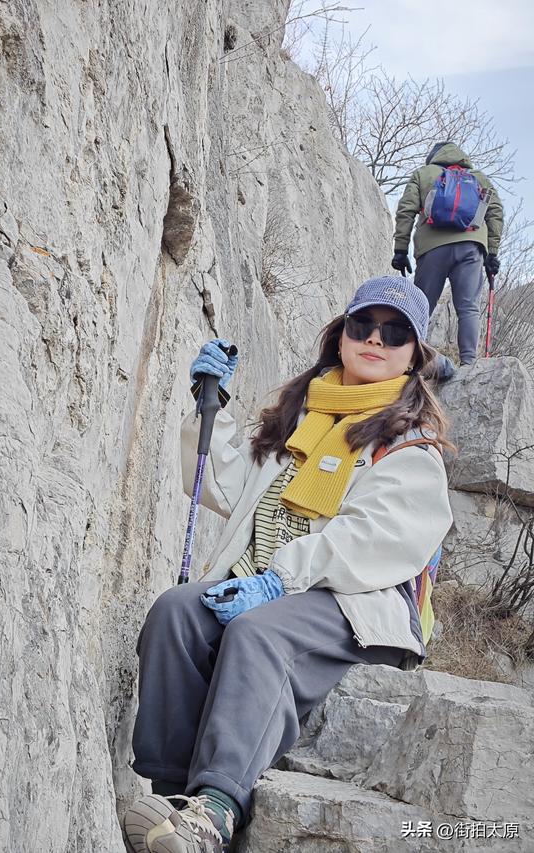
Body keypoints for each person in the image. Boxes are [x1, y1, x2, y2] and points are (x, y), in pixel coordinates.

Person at [123, 276, 453, 853]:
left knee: (258, 631)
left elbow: (378, 539)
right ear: (341, 335)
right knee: (176, 611)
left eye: (395, 332)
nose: (376, 339)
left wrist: (280, 579)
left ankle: (218, 804)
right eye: (363, 325)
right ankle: (171, 796)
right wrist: (210, 406)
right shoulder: (303, 422)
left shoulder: (409, 446)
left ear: (414, 355)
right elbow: (225, 483)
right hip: (270, 586)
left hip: (354, 603)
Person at [391, 141, 504, 366]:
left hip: (432, 249)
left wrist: (400, 249)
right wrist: (492, 253)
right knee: (468, 307)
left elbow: (406, 210)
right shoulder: (479, 178)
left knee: (421, 305)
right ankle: (469, 363)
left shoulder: (424, 174)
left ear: (433, 156)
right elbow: (495, 213)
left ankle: (410, 361)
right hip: (471, 248)